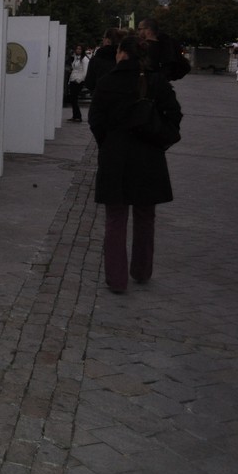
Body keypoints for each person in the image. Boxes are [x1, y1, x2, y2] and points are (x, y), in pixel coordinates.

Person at [88, 36, 182, 294]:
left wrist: (107, 143)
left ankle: (116, 279)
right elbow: (174, 115)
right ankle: (142, 270)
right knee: (145, 216)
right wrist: (159, 139)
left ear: (121, 53)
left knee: (115, 218)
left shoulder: (107, 82)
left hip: (115, 156)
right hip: (149, 156)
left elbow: (95, 120)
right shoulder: (157, 81)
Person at [85, 28, 122, 94]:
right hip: (120, 96)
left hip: (100, 95)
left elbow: (89, 83)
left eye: (103, 37)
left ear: (108, 40)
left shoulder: (96, 59)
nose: (103, 40)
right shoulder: (124, 58)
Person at [67, 44, 89, 122]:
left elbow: (85, 71)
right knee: (73, 99)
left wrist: (79, 80)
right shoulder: (76, 58)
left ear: (82, 50)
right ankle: (75, 116)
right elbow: (74, 69)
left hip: (78, 81)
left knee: (74, 99)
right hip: (73, 80)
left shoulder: (84, 59)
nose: (78, 50)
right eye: (77, 49)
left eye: (80, 49)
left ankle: (78, 116)